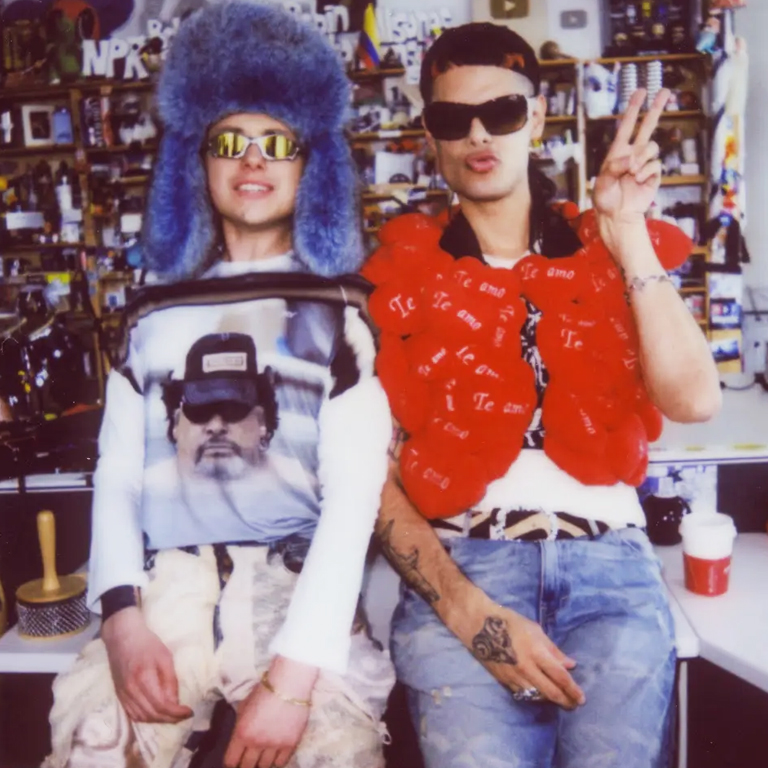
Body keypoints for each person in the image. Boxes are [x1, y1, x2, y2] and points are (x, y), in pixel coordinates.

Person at [43, 4, 394, 768]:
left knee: (334, 754)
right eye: (230, 141)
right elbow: (118, 475)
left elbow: (354, 501)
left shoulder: (342, 313)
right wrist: (121, 620)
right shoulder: (152, 312)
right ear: (197, 161)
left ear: (310, 163)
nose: (253, 160)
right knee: (95, 747)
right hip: (166, 591)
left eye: (278, 142)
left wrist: (293, 683)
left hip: (297, 596)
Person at [370, 22, 722, 768]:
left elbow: (695, 399)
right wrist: (468, 612)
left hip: (611, 571)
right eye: (452, 118)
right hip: (466, 571)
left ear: (535, 119)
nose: (477, 134)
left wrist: (626, 231)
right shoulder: (396, 278)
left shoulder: (607, 246)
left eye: (500, 112)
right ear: (430, 136)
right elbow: (371, 475)